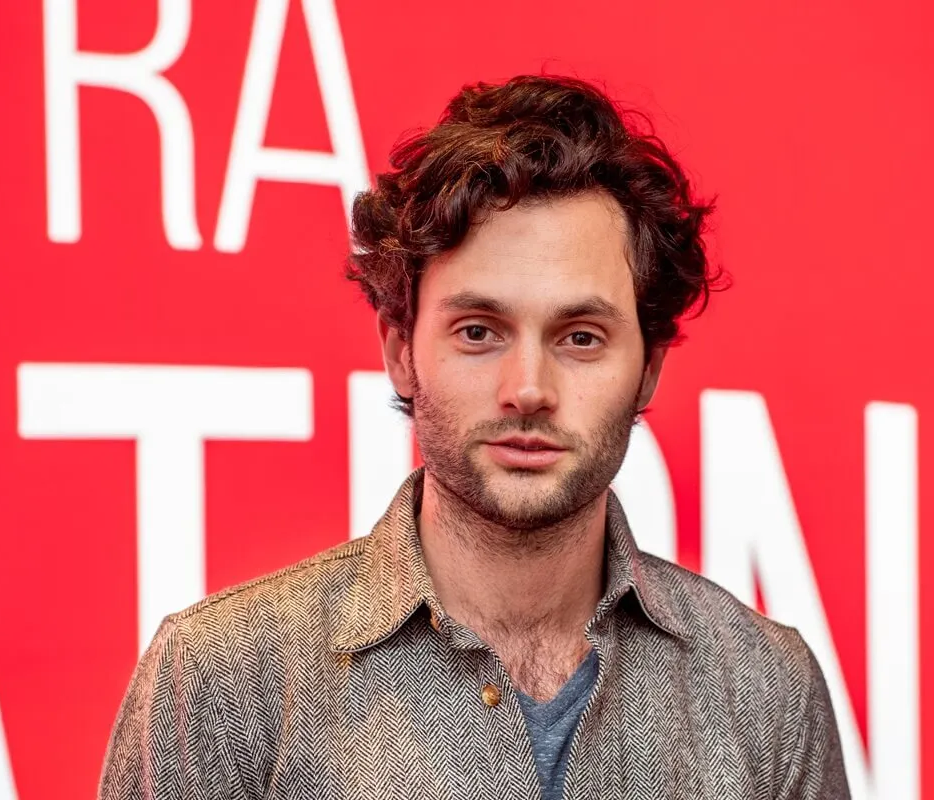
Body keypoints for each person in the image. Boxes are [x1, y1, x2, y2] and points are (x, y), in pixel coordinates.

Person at [98, 74, 850, 800]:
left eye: (581, 337)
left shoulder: (766, 691)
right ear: (401, 349)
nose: (528, 387)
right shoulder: (224, 682)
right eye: (479, 330)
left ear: (648, 368)